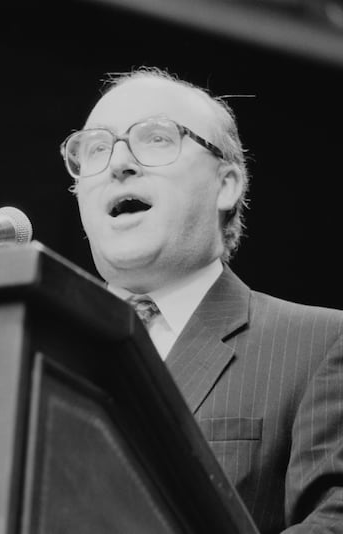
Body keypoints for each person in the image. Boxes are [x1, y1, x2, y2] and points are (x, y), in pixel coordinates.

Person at [62, 67, 343, 534]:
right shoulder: (40, 351)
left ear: (227, 184)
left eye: (154, 139)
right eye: (94, 149)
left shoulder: (320, 345)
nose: (118, 164)